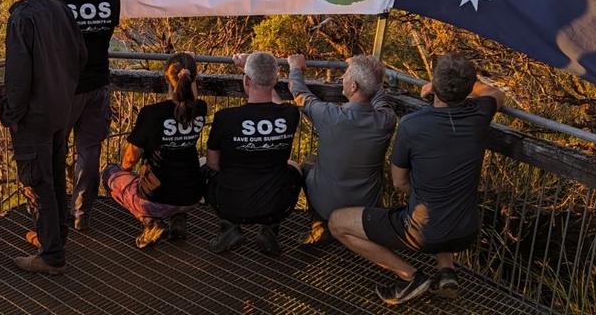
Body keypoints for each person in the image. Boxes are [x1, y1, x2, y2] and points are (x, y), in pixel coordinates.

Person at [328, 53, 507, 306]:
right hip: (466, 230)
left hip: (421, 232)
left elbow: (399, 182)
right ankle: (446, 271)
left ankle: (410, 277)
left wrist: (435, 89)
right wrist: (458, 87)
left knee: (337, 223)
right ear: (467, 88)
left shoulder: (413, 125)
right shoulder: (480, 113)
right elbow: (496, 93)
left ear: (435, 85)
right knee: (444, 197)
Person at [0, 0, 87, 275]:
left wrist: (10, 113)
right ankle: (55, 239)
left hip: (34, 116)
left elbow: (18, 76)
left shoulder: (22, 18)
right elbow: (80, 54)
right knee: (53, 175)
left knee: (38, 182)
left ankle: (51, 255)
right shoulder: (58, 8)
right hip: (60, 110)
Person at [48, 0, 122, 231]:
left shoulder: (53, 0)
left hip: (64, 89)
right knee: (89, 152)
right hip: (98, 84)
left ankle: (54, 212)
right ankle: (82, 214)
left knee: (55, 149)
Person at [285, 53, 396, 245]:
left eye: (346, 75)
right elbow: (379, 97)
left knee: (307, 165)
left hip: (328, 205)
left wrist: (295, 68)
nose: (342, 78)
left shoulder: (330, 116)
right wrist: (366, 71)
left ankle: (319, 223)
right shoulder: (386, 120)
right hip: (366, 204)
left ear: (353, 87)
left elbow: (300, 95)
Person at [102, 52, 207, 248]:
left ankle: (151, 222)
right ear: (193, 80)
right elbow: (191, 99)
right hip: (192, 195)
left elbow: (129, 159)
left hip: (156, 198)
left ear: (166, 78)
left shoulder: (152, 114)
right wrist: (191, 69)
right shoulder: (200, 109)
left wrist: (125, 171)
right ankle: (178, 218)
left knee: (110, 173)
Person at [205, 51, 302, 256]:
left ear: (247, 81)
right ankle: (270, 229)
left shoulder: (225, 117)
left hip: (230, 203)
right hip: (275, 204)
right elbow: (274, 105)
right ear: (275, 80)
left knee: (204, 166)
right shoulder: (290, 114)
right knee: (294, 168)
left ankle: (228, 227)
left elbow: (213, 163)